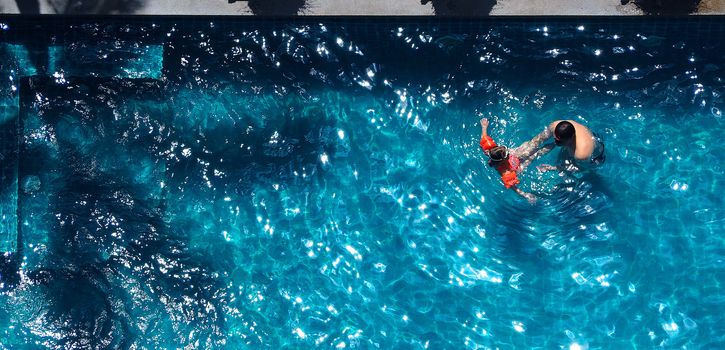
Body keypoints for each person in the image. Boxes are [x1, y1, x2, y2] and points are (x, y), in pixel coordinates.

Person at [479, 118, 538, 203]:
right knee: (532, 156)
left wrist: (484, 127)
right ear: (503, 159)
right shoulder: (505, 172)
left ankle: (538, 143)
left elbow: (483, 138)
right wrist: (525, 195)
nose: (508, 151)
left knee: (527, 146)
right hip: (515, 166)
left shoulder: (491, 150)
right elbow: (513, 188)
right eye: (507, 153)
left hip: (511, 158)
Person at [517, 120, 605, 173]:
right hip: (573, 139)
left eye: (559, 141)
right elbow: (537, 141)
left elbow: (580, 168)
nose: (555, 142)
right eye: (555, 138)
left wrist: (553, 168)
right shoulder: (555, 126)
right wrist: (521, 153)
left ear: (571, 139)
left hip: (595, 155)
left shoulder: (581, 153)